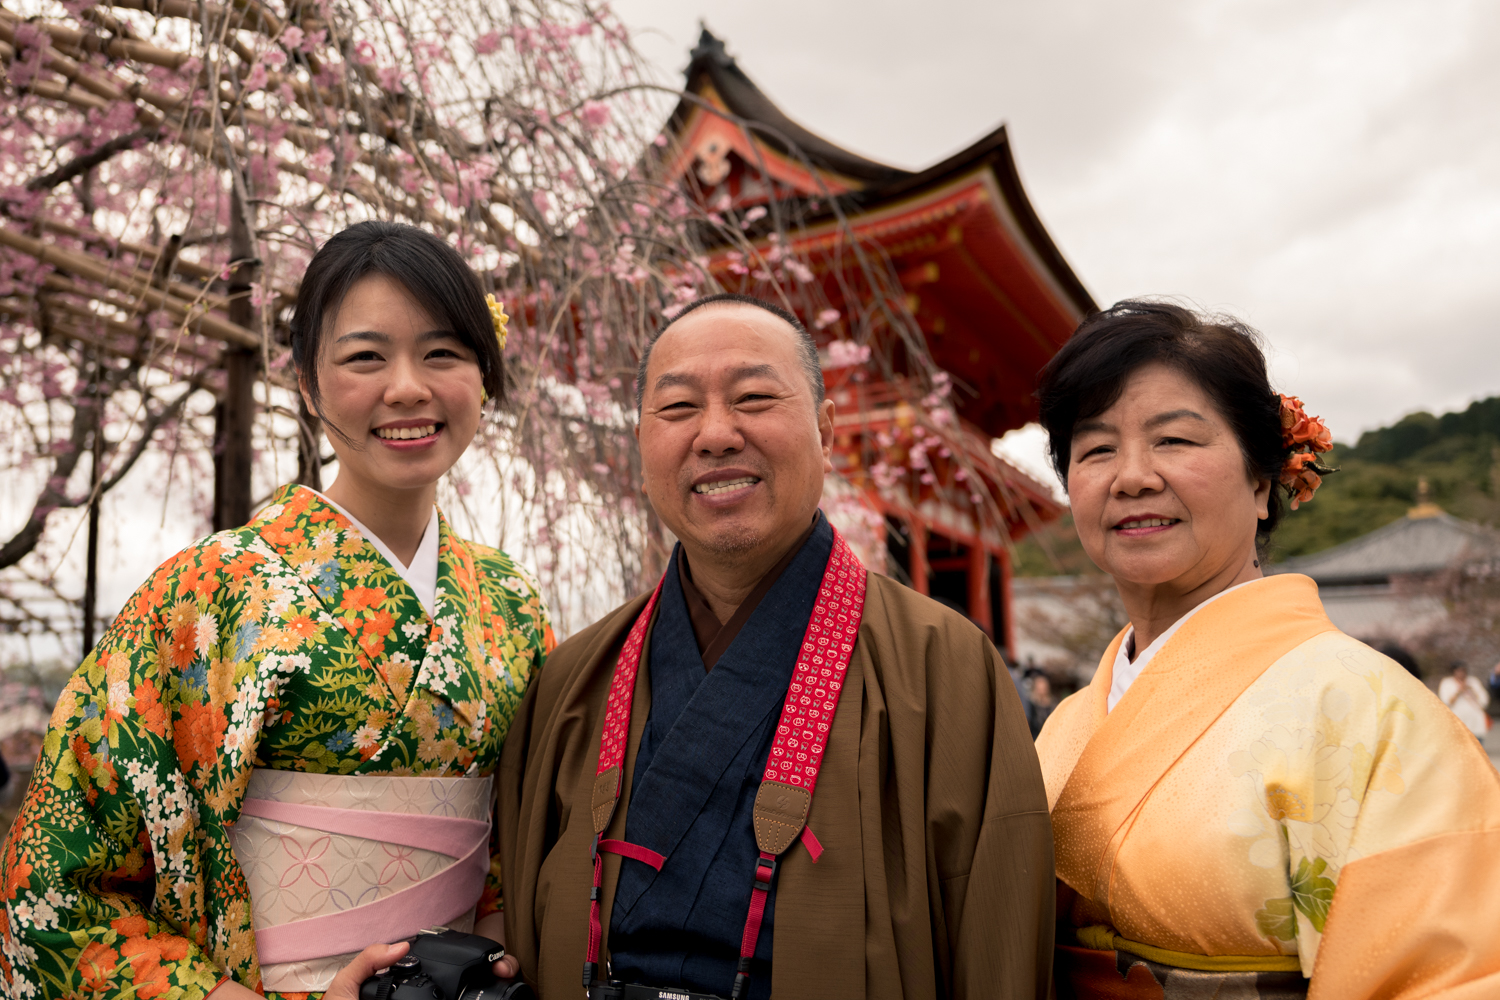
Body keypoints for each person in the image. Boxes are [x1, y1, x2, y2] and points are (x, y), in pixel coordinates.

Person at [0, 222, 552, 1000]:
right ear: (306, 385)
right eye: (365, 357)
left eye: (443, 354)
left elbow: (534, 851)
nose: (408, 388)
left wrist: (492, 939)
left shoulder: (513, 606)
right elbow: (54, 881)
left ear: (484, 377)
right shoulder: (207, 592)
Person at [496, 294, 1052, 1000]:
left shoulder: (945, 668)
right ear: (639, 443)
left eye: (754, 398)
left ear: (825, 430)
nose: (717, 434)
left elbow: (998, 950)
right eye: (677, 409)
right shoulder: (575, 678)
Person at [1032, 301, 1500, 998]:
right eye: (1096, 449)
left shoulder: (1370, 714)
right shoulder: (1069, 723)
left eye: (1176, 442)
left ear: (1262, 480)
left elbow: (1447, 976)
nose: (1131, 476)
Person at [1440, 662, 1490, 739]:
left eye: (1463, 671)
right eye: (1458, 671)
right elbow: (1445, 702)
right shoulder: (1447, 683)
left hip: (1475, 721)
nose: (1461, 673)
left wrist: (1471, 691)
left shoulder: (1473, 681)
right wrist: (1459, 691)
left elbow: (1484, 701)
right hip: (1457, 721)